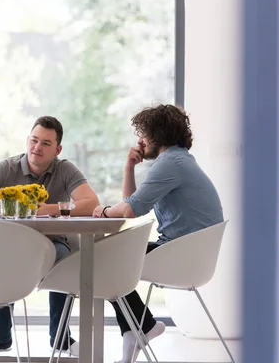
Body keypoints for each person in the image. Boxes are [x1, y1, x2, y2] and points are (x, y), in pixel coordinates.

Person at [92, 104, 224, 363]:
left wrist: (103, 211)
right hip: (188, 252)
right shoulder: (178, 160)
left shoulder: (170, 163)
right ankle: (138, 331)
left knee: (102, 261)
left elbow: (129, 210)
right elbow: (132, 204)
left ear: (157, 135)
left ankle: (144, 326)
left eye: (143, 134)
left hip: (181, 254)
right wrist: (129, 167)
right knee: (108, 259)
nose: (140, 141)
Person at [0, 116, 100, 356]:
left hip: (55, 244)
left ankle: (61, 338)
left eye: (46, 144)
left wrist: (49, 209)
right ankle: (0, 337)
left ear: (57, 150)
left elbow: (91, 203)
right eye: (34, 140)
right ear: (27, 141)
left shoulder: (65, 169)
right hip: (12, 245)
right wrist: (12, 207)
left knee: (64, 260)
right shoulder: (7, 167)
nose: (37, 147)